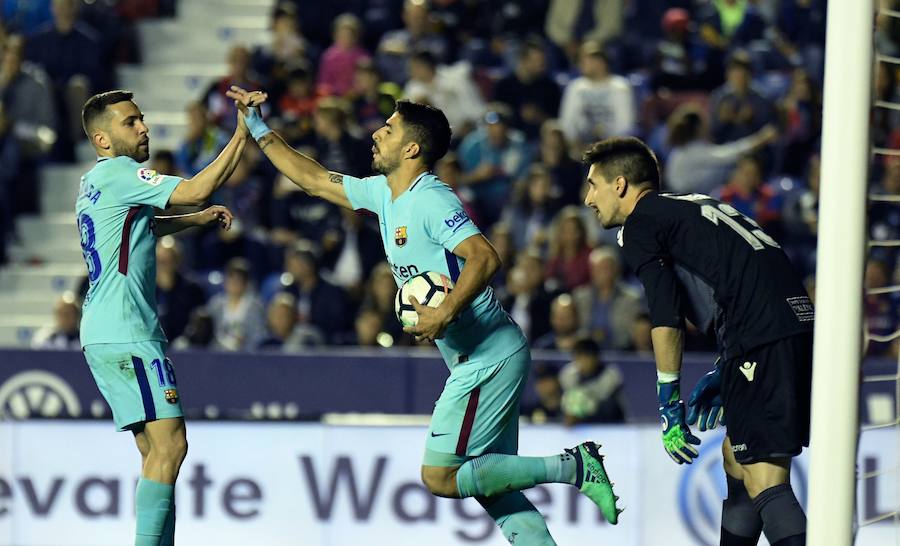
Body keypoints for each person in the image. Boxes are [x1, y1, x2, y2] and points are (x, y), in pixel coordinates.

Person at [231, 86, 622, 544]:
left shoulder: (431, 199)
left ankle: (574, 465)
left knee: (439, 476)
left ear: (412, 148)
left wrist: (445, 311)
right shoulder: (381, 193)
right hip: (484, 356)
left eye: (389, 129)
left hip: (487, 357)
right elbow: (314, 179)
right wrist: (257, 127)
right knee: (495, 490)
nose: (376, 133)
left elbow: (484, 256)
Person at [582, 136, 813, 546]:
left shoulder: (642, 222)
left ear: (619, 185)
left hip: (761, 337)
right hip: (790, 326)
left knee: (764, 475)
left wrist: (668, 400)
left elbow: (665, 313)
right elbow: (743, 276)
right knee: (736, 460)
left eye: (593, 185)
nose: (587, 198)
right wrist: (727, 363)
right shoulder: (693, 206)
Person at [76, 87, 254, 545]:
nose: (143, 127)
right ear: (102, 140)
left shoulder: (94, 181)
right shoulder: (121, 172)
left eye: (141, 118)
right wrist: (242, 131)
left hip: (103, 330)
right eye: (130, 122)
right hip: (128, 330)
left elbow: (140, 226)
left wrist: (193, 220)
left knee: (156, 453)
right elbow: (197, 187)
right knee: (172, 446)